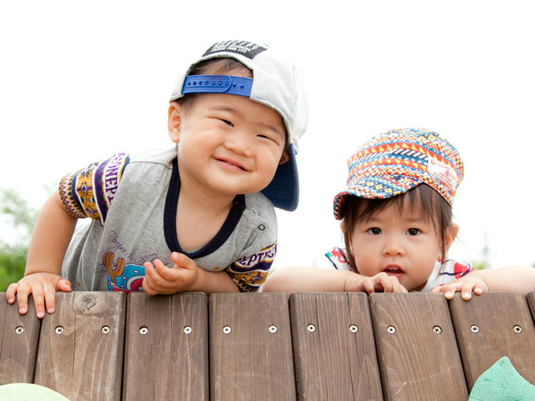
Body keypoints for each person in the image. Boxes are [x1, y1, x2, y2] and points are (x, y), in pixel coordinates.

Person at [7, 39, 308, 318]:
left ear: (282, 156)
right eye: (226, 121)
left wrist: (197, 280)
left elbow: (241, 290)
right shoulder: (127, 178)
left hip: (165, 333)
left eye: (264, 136)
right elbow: (65, 201)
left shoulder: (257, 229)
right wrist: (41, 271)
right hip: (71, 306)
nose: (241, 145)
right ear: (177, 123)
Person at [263, 128, 535, 298]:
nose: (393, 248)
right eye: (375, 230)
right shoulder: (344, 268)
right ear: (349, 237)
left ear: (445, 240)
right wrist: (350, 283)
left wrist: (479, 280)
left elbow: (529, 281)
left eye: (413, 231)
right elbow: (277, 285)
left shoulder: (448, 279)